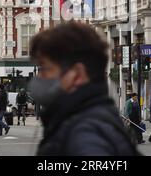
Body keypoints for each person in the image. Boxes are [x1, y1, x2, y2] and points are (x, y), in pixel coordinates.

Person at [29, 21, 139, 156]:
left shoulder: (87, 134)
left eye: (46, 69)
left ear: (77, 74)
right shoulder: (90, 119)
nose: (40, 77)